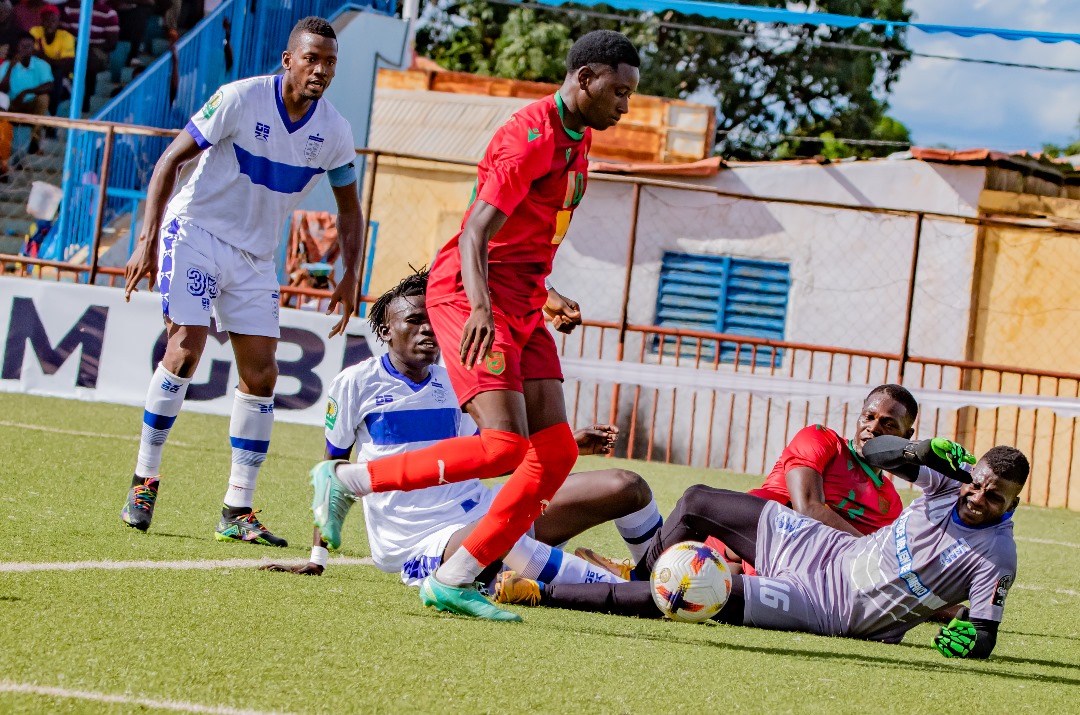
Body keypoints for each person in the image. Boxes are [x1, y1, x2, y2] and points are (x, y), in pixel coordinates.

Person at [308, 29, 642, 622]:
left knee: (557, 452)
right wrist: (483, 310)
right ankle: (349, 480)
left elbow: (529, 236)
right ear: (584, 78)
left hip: (521, 299)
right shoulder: (527, 137)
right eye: (618, 92)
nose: (624, 105)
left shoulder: (579, 137)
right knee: (503, 446)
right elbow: (476, 235)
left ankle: (456, 578)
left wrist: (549, 296)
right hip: (471, 294)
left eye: (630, 95)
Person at [265, 270, 664, 594]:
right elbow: (331, 470)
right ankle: (644, 593)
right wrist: (316, 558)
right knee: (507, 548)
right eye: (414, 321)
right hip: (418, 540)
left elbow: (491, 456)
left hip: (483, 510)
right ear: (386, 332)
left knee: (625, 485)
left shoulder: (458, 381)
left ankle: (653, 574)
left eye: (433, 320)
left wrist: (567, 444)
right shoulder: (356, 383)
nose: (428, 331)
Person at [119, 16, 363, 547]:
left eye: (331, 63)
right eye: (312, 59)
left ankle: (237, 508)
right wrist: (146, 238)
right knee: (186, 347)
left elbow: (349, 209)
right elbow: (168, 163)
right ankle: (144, 479)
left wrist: (350, 274)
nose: (322, 70)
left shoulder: (336, 131)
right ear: (288, 60)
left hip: (254, 256)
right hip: (196, 232)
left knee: (263, 375)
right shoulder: (239, 98)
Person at [498, 439, 1026, 660]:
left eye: (993, 496)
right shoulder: (946, 484)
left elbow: (983, 635)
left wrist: (965, 642)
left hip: (830, 608)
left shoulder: (996, 557)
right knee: (699, 500)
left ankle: (542, 593)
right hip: (826, 549)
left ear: (1013, 504)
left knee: (694, 594)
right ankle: (637, 576)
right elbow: (873, 452)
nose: (977, 497)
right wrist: (917, 450)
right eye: (975, 483)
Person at [577, 384, 918, 580]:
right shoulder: (822, 439)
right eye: (868, 416)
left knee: (730, 577)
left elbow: (886, 566)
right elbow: (808, 509)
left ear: (908, 436)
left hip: (794, 569)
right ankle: (638, 578)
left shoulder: (891, 501)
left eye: (888, 424)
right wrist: (872, 550)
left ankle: (643, 576)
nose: (872, 428)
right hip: (739, 537)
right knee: (705, 516)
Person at [60, 0, 117, 112]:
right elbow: (63, 35)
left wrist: (87, 48)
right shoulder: (69, 9)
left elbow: (112, 43)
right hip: (73, 48)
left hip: (98, 51)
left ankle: (85, 102)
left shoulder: (108, 12)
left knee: (89, 59)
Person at [0, 32, 52, 154]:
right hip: (11, 105)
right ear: (17, 47)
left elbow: (50, 85)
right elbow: (2, 90)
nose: (25, 49)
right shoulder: (7, 65)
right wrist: (10, 68)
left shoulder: (41, 64)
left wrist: (27, 91)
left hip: (30, 104)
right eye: (22, 46)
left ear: (33, 47)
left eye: (29, 46)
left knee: (44, 98)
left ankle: (35, 141)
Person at [29, 4, 73, 115]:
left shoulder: (66, 36)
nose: (50, 23)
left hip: (64, 79)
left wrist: (42, 56)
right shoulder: (35, 31)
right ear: (41, 20)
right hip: (39, 75)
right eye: (46, 20)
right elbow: (31, 57)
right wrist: (53, 62)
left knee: (57, 75)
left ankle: (52, 121)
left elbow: (66, 65)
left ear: (58, 22)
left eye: (53, 20)